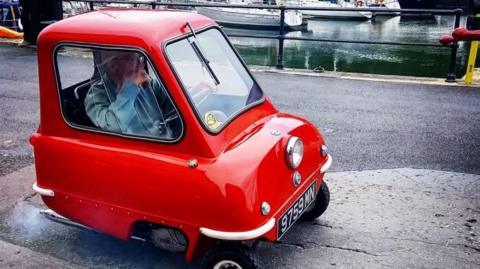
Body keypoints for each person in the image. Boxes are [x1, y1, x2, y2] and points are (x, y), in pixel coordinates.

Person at [84, 50, 174, 139]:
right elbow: (114, 127)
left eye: (139, 58)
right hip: (134, 149)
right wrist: (130, 87)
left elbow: (173, 106)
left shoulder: (148, 83)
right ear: (113, 65)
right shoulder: (96, 94)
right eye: (131, 59)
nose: (139, 63)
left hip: (167, 142)